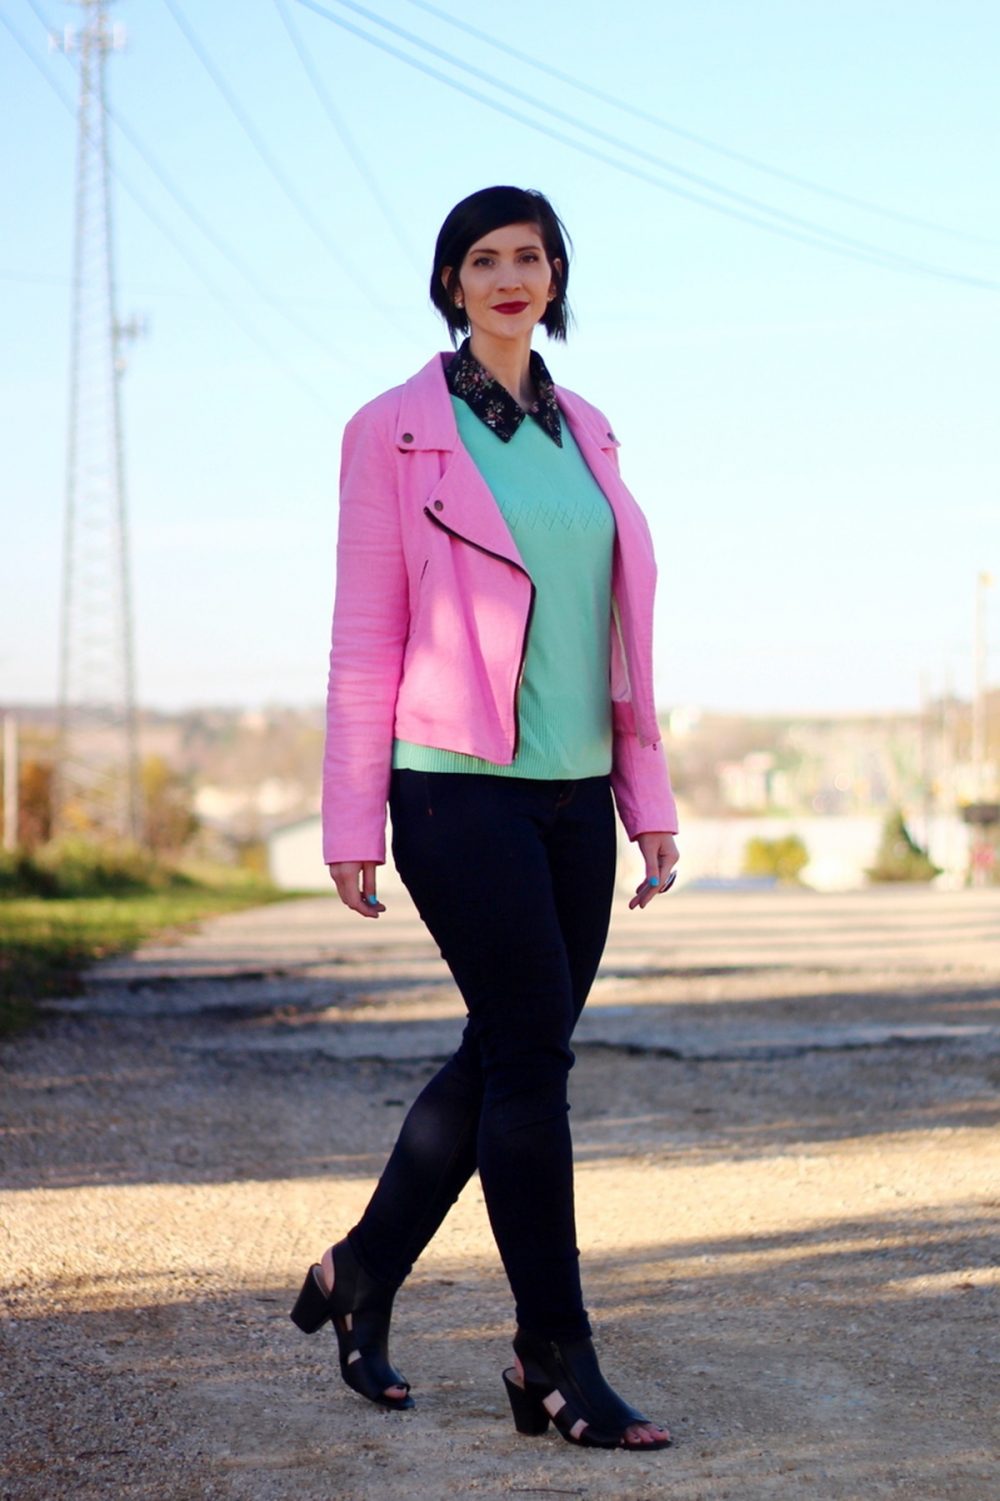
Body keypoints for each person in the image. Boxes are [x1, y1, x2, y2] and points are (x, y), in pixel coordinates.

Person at [291, 185, 679, 1452]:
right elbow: (364, 633)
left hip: (575, 795)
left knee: (509, 1053)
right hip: (452, 783)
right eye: (483, 259)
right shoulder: (392, 431)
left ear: (557, 279)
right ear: (450, 282)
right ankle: (551, 1354)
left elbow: (618, 637)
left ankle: (357, 1272)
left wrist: (645, 797)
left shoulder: (592, 431)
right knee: (530, 1061)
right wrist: (352, 812)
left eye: (532, 256)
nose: (510, 277)